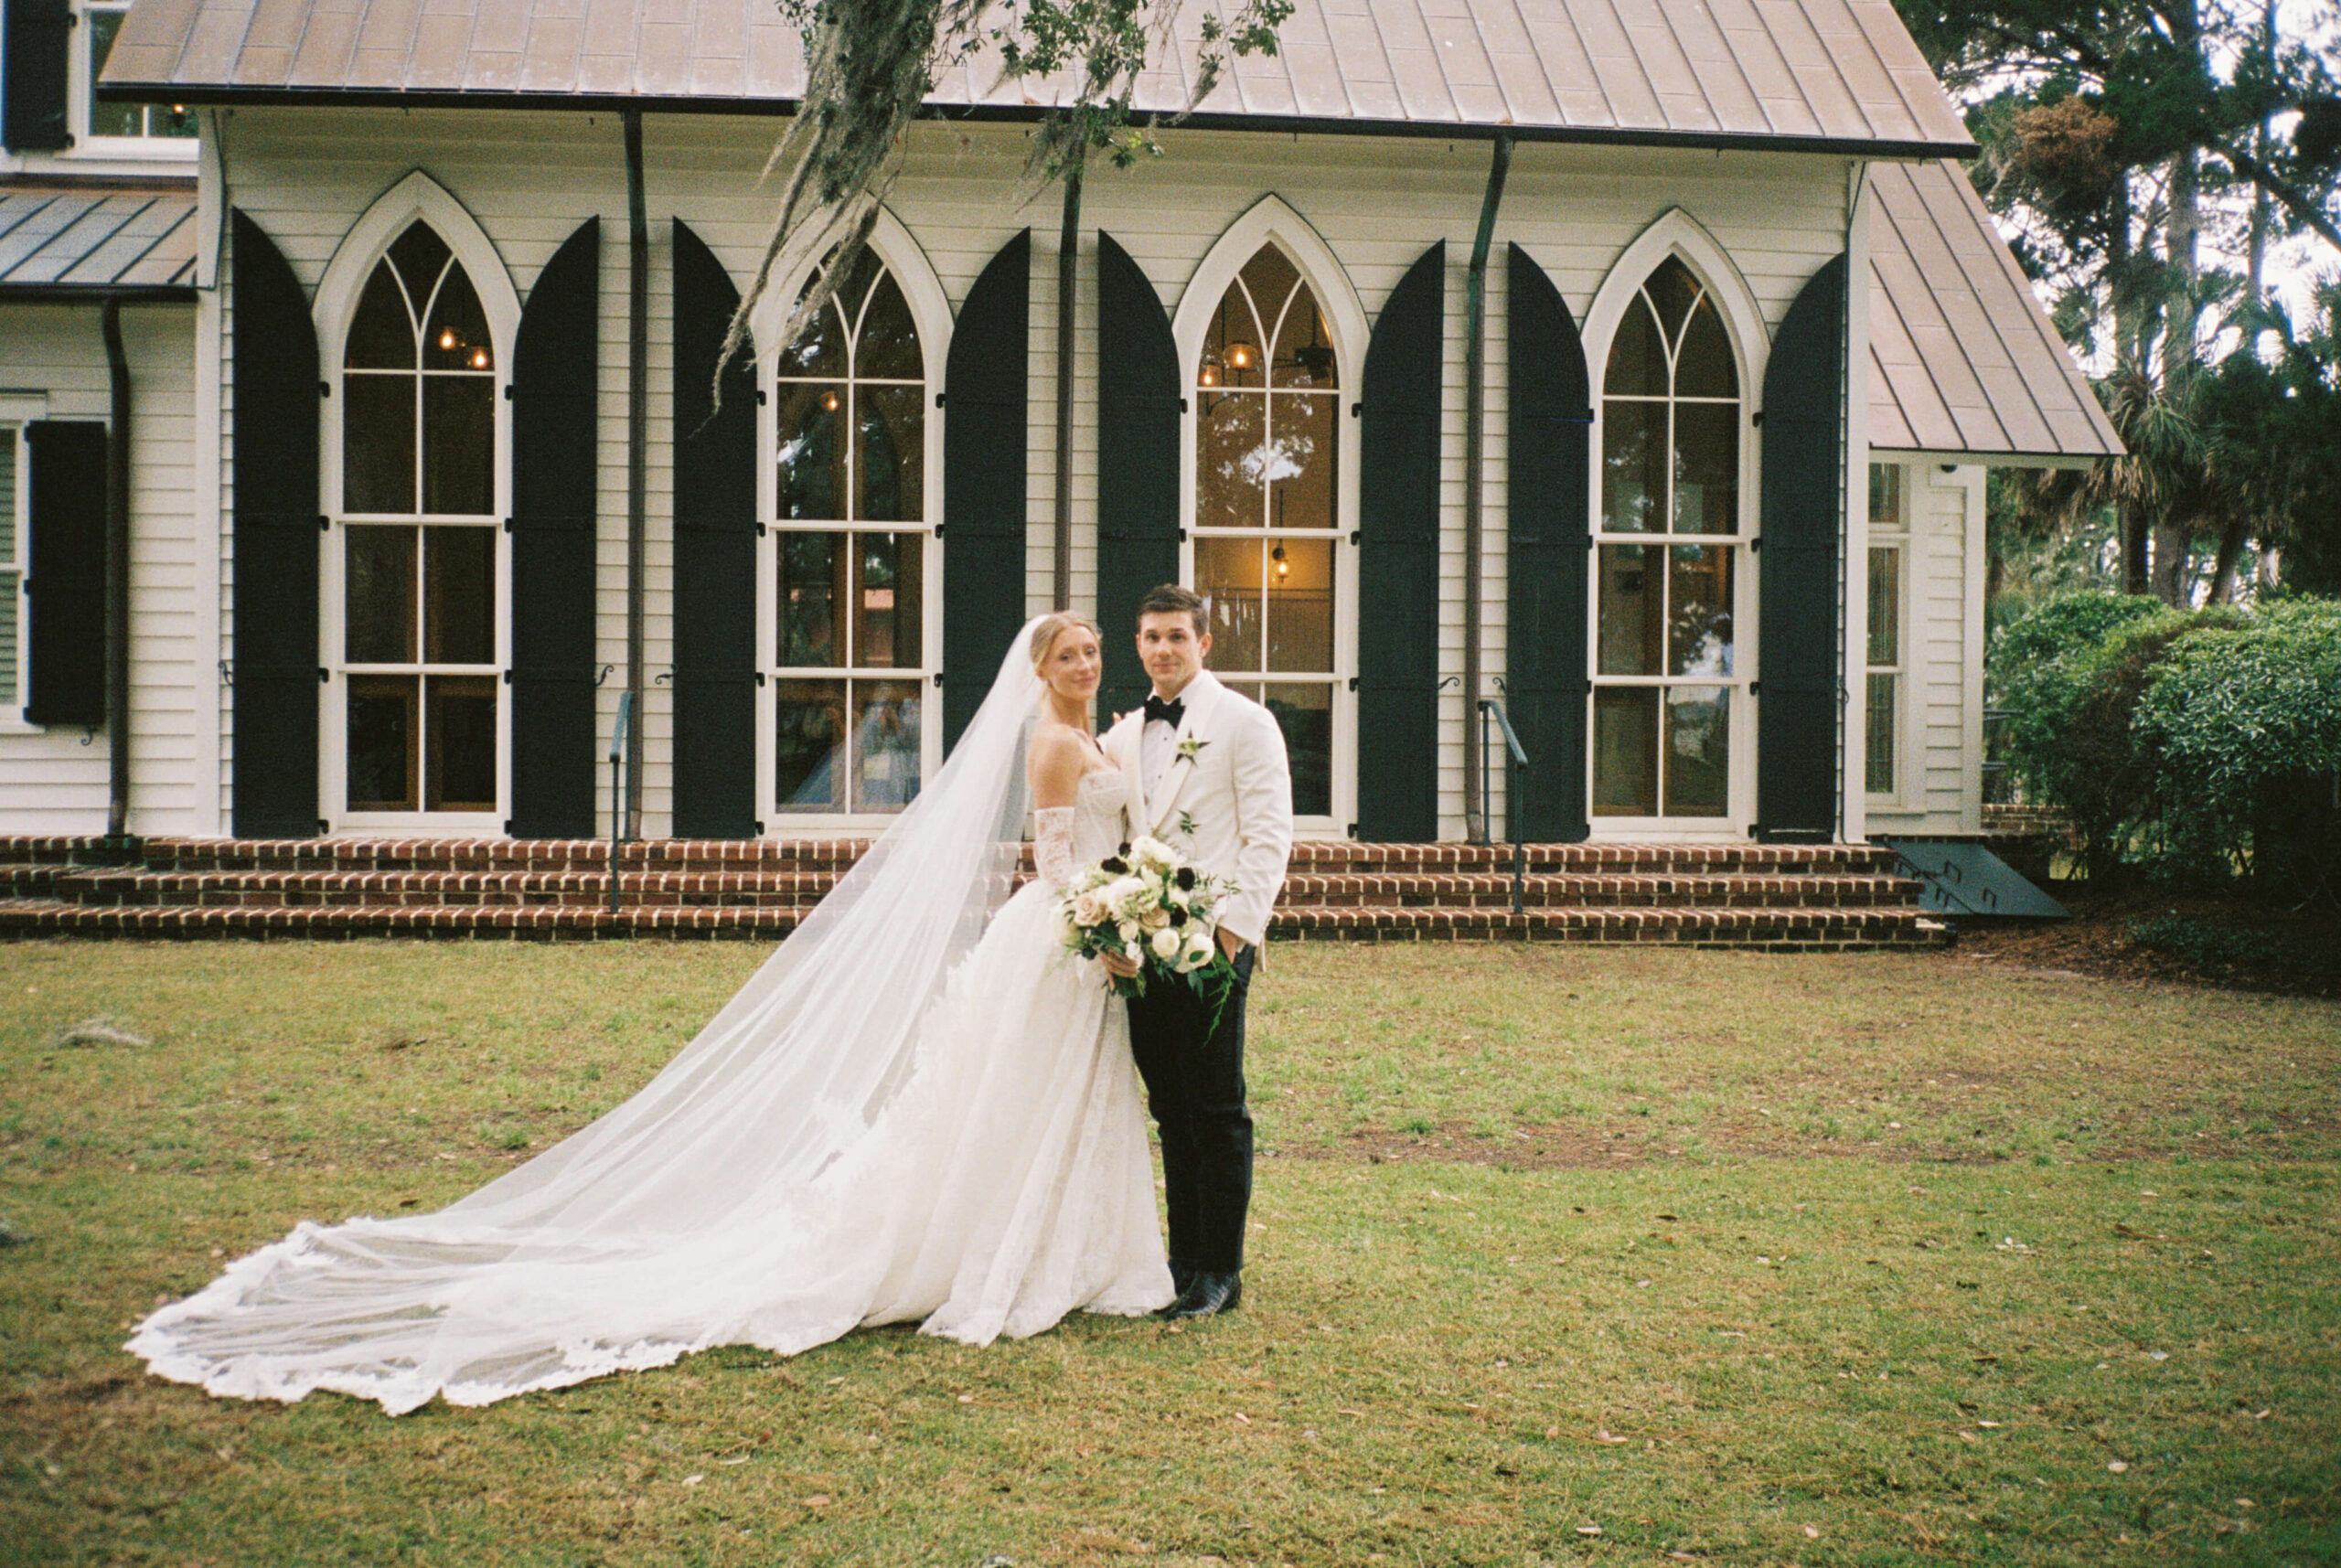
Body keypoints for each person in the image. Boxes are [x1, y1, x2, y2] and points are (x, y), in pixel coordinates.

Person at [127, 614, 1173, 1414]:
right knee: (1011, 1095)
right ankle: (992, 1249)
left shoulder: (1100, 735)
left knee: (1057, 1097)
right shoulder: (1048, 744)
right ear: (1038, 669)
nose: (1084, 662)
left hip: (1086, 935)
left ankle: (1066, 1248)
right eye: (1069, 652)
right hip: (1061, 933)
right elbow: (1052, 859)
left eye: (1091, 649)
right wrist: (1104, 924)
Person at [1100, 584, 1295, 1320]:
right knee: (1170, 1109)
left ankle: (1221, 1270)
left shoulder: (1246, 722)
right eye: (1151, 637)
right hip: (1142, 950)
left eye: (1177, 636)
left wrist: (1233, 937)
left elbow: (1270, 835)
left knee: (1218, 1108)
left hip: (1214, 947)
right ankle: (1180, 1261)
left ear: (1204, 642)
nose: (1162, 649)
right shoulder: (1123, 735)